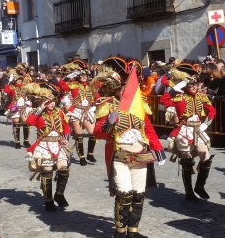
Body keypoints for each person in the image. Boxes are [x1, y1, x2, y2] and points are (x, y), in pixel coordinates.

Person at [91, 56, 166, 238]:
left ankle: (133, 232)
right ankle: (120, 232)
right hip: (119, 155)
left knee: (138, 195)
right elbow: (97, 133)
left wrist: (158, 148)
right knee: (124, 194)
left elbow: (147, 129)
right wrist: (109, 122)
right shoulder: (108, 105)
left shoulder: (139, 106)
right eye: (123, 87)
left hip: (140, 154)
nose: (126, 91)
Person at [159, 63, 216, 201]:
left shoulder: (201, 97)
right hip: (184, 131)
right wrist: (174, 90)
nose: (195, 87)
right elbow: (163, 100)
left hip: (198, 129)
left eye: (196, 85)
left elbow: (212, 111)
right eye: (191, 85)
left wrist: (205, 124)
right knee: (187, 159)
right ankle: (189, 191)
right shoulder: (179, 97)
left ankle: (200, 186)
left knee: (205, 156)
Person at [25, 83, 71, 212]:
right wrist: (40, 107)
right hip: (44, 145)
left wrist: (65, 139)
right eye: (49, 102)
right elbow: (29, 122)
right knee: (47, 172)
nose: (52, 104)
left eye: (53, 101)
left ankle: (59, 194)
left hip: (58, 144)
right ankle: (48, 200)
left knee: (64, 168)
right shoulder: (38, 113)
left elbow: (66, 127)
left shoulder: (60, 112)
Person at [58, 60, 97, 166]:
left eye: (85, 75)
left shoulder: (90, 86)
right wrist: (69, 76)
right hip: (76, 111)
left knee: (93, 133)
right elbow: (62, 85)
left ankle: (90, 153)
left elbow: (96, 95)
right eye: (82, 75)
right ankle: (82, 157)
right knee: (78, 135)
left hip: (88, 110)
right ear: (78, 77)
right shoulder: (73, 85)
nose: (84, 77)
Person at [4, 71, 33, 149]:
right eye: (18, 80)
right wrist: (9, 82)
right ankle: (17, 142)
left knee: (26, 122)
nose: (20, 80)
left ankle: (26, 141)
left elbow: (32, 89)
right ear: (15, 81)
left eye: (21, 79)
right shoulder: (12, 87)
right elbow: (6, 91)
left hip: (24, 107)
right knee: (17, 123)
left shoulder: (25, 86)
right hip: (15, 107)